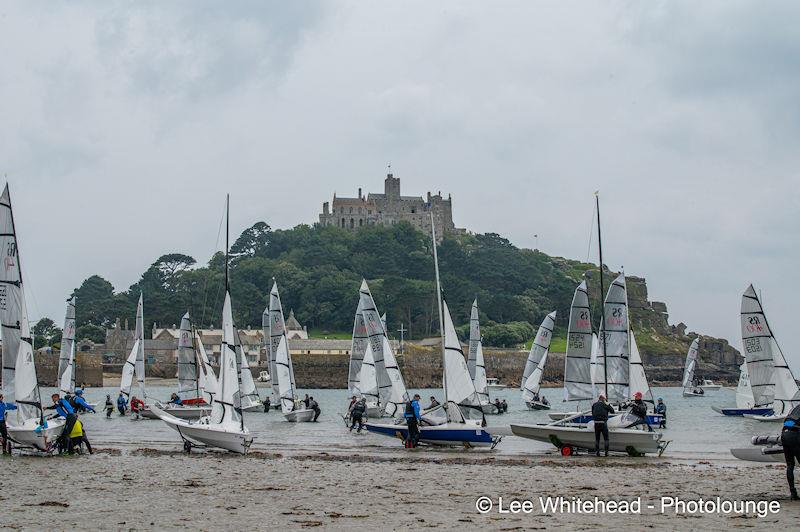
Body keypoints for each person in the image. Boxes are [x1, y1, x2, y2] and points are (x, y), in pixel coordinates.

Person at [781, 403, 800, 500]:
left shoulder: (794, 408)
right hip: (794, 435)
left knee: (790, 465)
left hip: (784, 434)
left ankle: (793, 492)